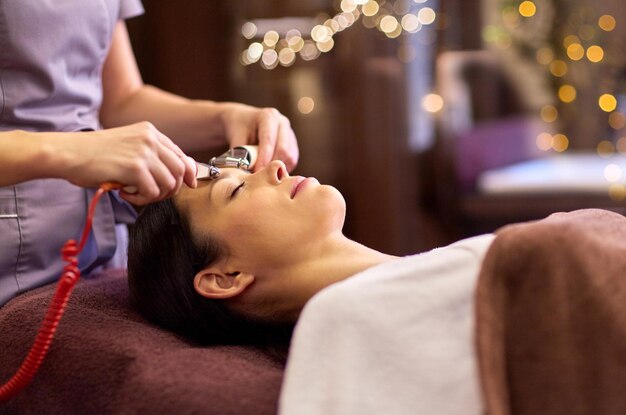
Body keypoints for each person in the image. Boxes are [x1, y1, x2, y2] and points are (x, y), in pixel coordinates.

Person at [127, 160, 495, 414]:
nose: (274, 167)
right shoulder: (345, 319)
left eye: (247, 170)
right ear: (225, 277)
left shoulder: (443, 269)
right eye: (237, 188)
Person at [0, 0, 299, 307]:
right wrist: (66, 152)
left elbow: (122, 101)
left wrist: (225, 117)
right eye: (233, 189)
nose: (276, 169)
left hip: (99, 258)